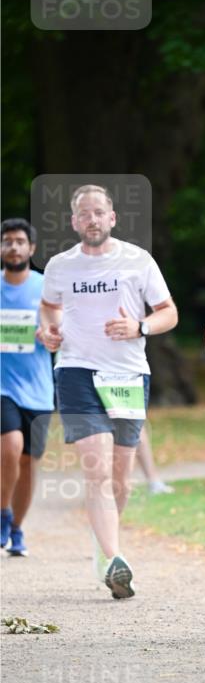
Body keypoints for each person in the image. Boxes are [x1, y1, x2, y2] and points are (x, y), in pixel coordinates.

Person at [39, 184, 178, 598]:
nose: (92, 219)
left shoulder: (138, 260)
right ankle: (116, 558)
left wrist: (140, 327)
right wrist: (49, 329)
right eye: (84, 214)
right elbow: (49, 307)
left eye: (99, 212)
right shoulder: (60, 266)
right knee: (97, 469)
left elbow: (169, 312)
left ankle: (104, 552)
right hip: (77, 371)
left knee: (120, 477)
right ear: (74, 222)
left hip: (128, 375)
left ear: (112, 218)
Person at [1, 218, 54, 556]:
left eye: (20, 241)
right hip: (2, 386)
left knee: (27, 462)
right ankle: (3, 513)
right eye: (7, 241)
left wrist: (49, 335)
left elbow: (62, 331)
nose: (14, 247)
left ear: (31, 249)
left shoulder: (46, 288)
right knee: (9, 446)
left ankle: (17, 528)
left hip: (38, 389)